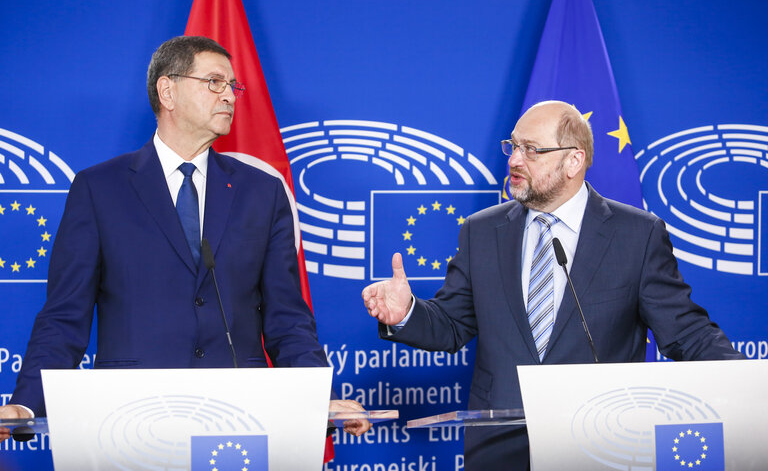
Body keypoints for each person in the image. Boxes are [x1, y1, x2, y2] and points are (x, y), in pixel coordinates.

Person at [0, 36, 369, 440]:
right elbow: (64, 316)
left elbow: (288, 320)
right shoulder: (99, 189)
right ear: (167, 90)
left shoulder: (262, 192)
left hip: (240, 420)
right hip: (130, 423)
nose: (229, 95)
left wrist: (320, 398)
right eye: (214, 82)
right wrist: (26, 404)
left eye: (232, 86)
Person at [362, 100, 743, 470]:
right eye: (512, 146)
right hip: (499, 448)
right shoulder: (481, 231)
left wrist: (750, 386)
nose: (513, 160)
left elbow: (686, 332)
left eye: (531, 150)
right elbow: (451, 325)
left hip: (601, 444)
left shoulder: (637, 235)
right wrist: (407, 312)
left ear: (573, 161)